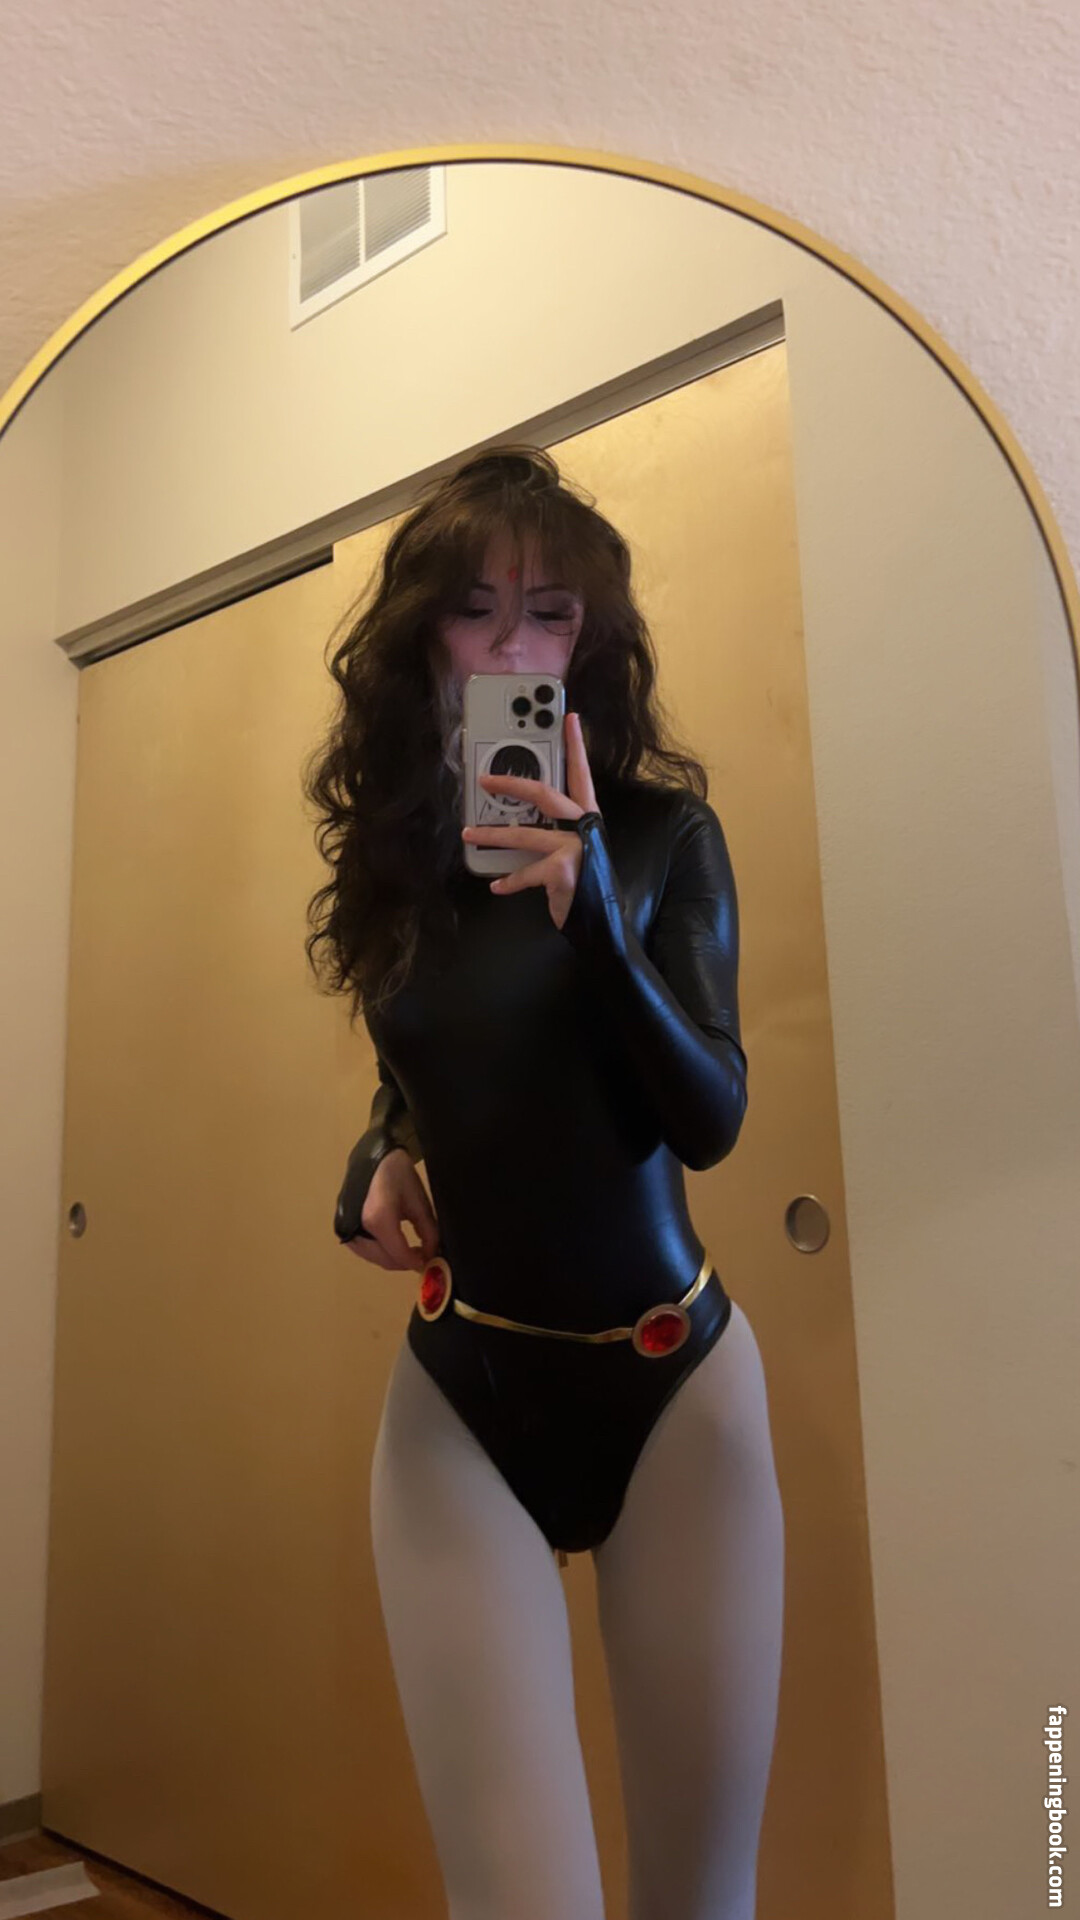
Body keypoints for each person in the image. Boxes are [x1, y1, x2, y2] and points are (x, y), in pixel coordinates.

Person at [304, 446, 785, 1920]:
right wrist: (376, 1153)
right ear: (421, 641)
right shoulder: (400, 857)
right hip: (464, 1391)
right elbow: (421, 1062)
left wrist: (596, 925)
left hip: (671, 1382)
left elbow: (707, 1114)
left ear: (592, 645)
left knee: (699, 1897)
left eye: (552, 616)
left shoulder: (661, 836)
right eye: (476, 612)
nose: (515, 651)